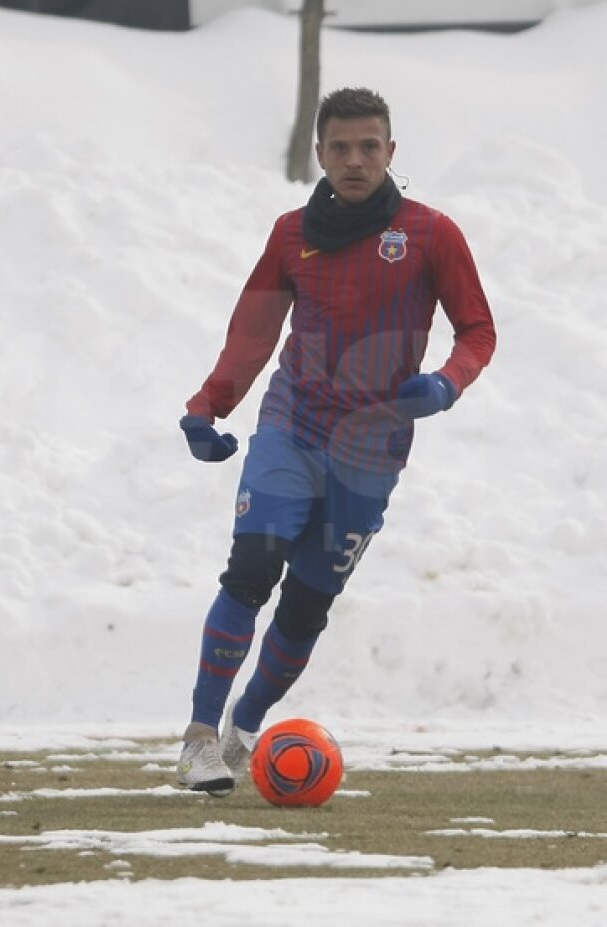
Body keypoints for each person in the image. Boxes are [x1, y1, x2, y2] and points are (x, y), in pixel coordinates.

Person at [175, 88, 496, 795]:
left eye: (369, 146)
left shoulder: (431, 233)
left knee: (305, 605)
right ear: (319, 153)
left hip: (371, 451)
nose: (355, 160)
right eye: (341, 147)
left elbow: (479, 330)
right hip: (293, 424)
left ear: (391, 150)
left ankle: (244, 725)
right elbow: (254, 331)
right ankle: (199, 736)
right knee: (251, 568)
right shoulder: (292, 233)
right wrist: (209, 405)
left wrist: (445, 383)